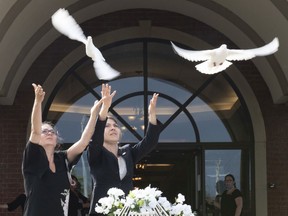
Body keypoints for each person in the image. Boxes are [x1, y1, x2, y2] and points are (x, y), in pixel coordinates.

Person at [21, 83, 113, 216]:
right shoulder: (32, 158)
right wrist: (38, 101)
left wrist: (93, 114)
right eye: (45, 131)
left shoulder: (62, 159)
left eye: (52, 132)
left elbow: (83, 142)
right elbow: (35, 131)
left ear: (57, 139)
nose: (49, 133)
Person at [87, 88, 162, 215]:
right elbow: (96, 138)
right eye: (107, 126)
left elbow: (150, 142)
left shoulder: (128, 153)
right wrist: (105, 108)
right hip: (102, 212)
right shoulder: (95, 153)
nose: (113, 128)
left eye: (115, 126)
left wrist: (152, 114)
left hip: (127, 212)